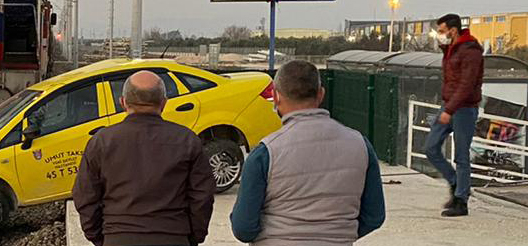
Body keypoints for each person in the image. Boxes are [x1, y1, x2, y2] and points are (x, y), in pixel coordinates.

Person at [230, 60, 385, 246]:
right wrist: (338, 234)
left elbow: (243, 228)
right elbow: (374, 216)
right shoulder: (361, 145)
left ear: (276, 96)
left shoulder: (265, 153)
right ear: (321, 94)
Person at [73, 70, 216, 246]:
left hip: (118, 236)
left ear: (123, 103)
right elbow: (203, 196)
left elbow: (85, 196)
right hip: (173, 236)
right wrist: (192, 236)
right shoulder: (187, 140)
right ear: (163, 103)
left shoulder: (101, 142)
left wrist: (100, 237)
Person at [425, 13, 484, 217]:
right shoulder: (452, 49)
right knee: (431, 148)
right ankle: (456, 182)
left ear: (453, 29)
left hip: (464, 109)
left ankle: (461, 201)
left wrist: (449, 110)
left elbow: (466, 84)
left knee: (461, 155)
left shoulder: (470, 51)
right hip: (449, 105)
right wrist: (447, 107)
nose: (439, 35)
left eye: (441, 31)